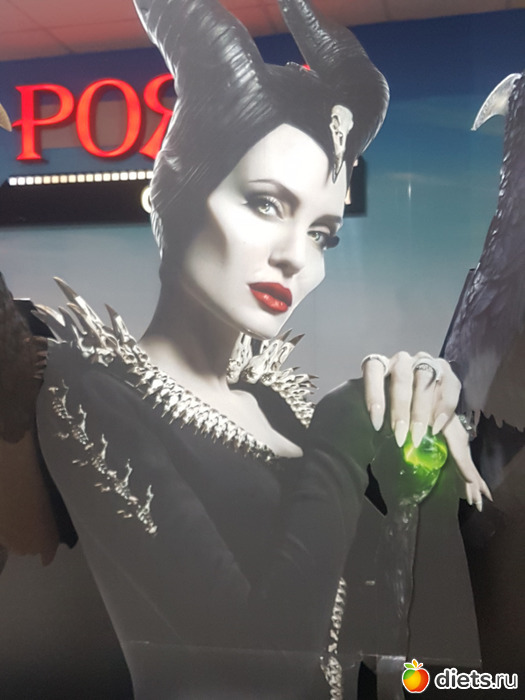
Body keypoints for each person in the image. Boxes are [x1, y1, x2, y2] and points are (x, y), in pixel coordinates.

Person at [0, 0, 489, 697]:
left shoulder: (273, 403)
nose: (296, 257)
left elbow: (385, 638)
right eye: (266, 203)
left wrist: (418, 427)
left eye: (321, 233)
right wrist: (345, 430)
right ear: (174, 188)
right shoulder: (89, 391)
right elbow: (255, 659)